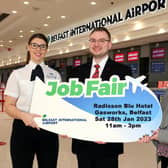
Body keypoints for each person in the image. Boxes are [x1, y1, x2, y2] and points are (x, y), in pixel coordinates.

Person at [69, 27, 132, 168]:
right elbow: (71, 105)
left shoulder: (123, 72)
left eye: (102, 40)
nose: (96, 44)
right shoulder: (76, 72)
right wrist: (66, 125)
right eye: (93, 40)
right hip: (83, 142)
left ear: (109, 44)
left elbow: (126, 106)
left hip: (108, 143)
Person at [4, 33, 61, 168]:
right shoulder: (17, 74)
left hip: (48, 129)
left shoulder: (55, 75)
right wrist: (24, 115)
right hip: (23, 129)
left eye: (42, 46)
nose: (38, 49)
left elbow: (58, 105)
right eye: (34, 45)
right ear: (28, 47)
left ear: (46, 50)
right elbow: (8, 106)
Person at [139, 91, 168, 168]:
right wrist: (151, 135)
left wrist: (161, 135)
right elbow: (162, 123)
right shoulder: (166, 94)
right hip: (164, 153)